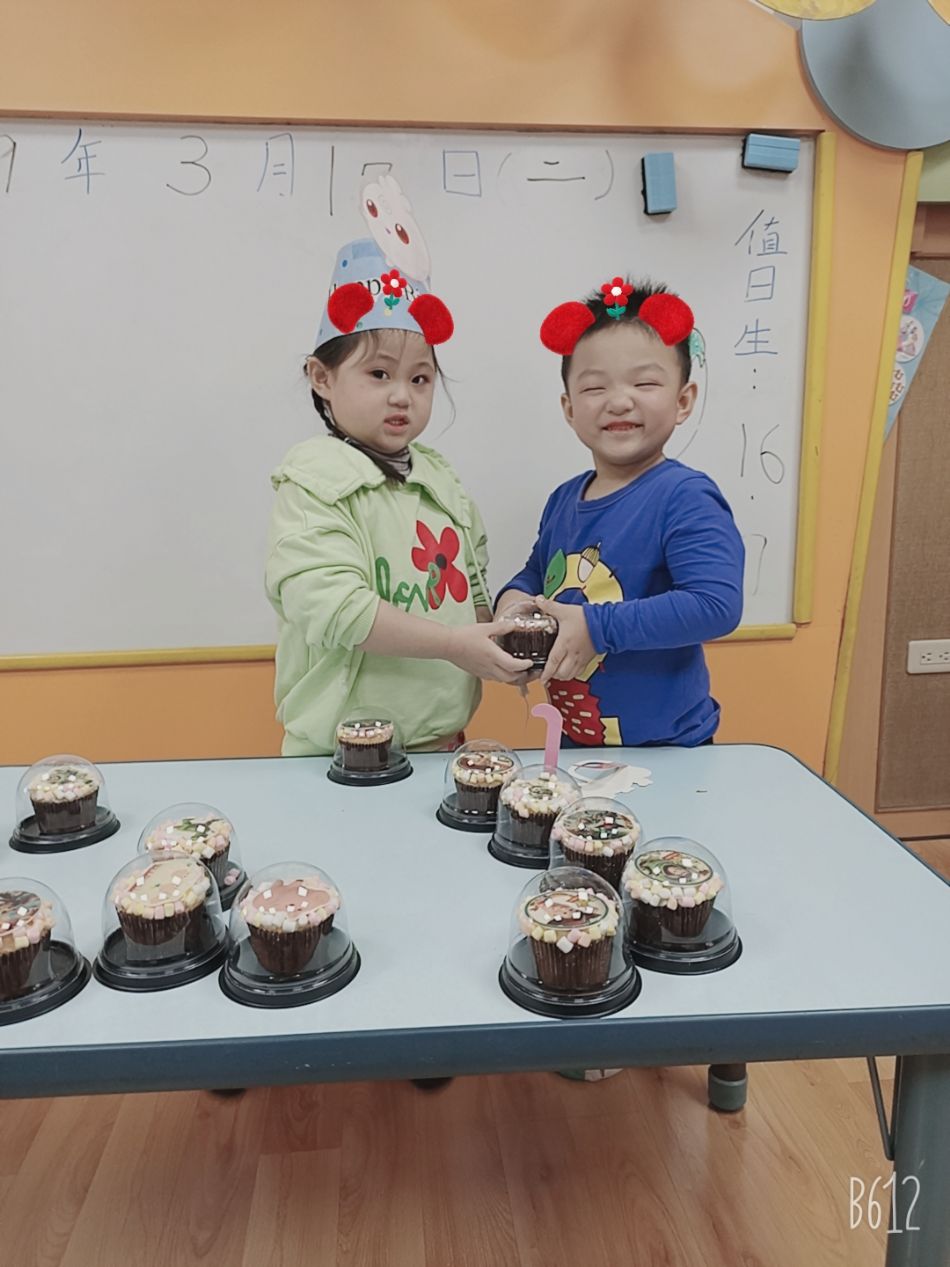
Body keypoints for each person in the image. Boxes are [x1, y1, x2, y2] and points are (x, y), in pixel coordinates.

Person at [266, 232, 530, 757]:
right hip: (339, 759)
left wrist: (505, 639)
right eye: (379, 373)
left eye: (420, 378)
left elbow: (474, 596)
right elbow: (336, 609)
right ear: (321, 377)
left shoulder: (440, 482)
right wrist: (454, 646)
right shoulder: (314, 481)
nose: (401, 395)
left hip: (443, 743)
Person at [496, 277, 745, 749]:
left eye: (645, 382)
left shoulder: (685, 496)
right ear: (570, 408)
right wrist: (513, 602)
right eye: (595, 387)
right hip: (574, 743)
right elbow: (538, 573)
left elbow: (715, 605)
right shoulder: (563, 499)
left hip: (670, 751)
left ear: (683, 401)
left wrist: (596, 628)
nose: (618, 400)